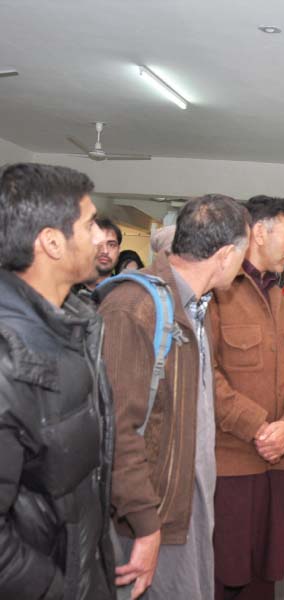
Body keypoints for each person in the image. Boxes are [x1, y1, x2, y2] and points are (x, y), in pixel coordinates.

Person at [100, 195, 250, 600]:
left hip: (185, 504)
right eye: (242, 253)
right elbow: (118, 430)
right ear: (223, 255)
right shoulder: (135, 308)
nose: (243, 265)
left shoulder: (191, 307)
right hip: (148, 519)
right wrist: (146, 526)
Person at [0, 162, 115, 599]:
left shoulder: (75, 323)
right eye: (88, 226)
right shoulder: (9, 354)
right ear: (51, 241)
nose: (101, 239)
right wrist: (54, 587)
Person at [209, 195, 284, 600]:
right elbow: (207, 377)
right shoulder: (218, 292)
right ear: (257, 232)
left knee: (266, 577)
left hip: (279, 462)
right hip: (231, 464)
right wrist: (259, 427)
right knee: (224, 574)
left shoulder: (278, 298)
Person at [92, 216, 122, 287]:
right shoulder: (64, 290)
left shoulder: (127, 293)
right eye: (98, 244)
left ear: (119, 250)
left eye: (111, 245)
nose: (105, 251)